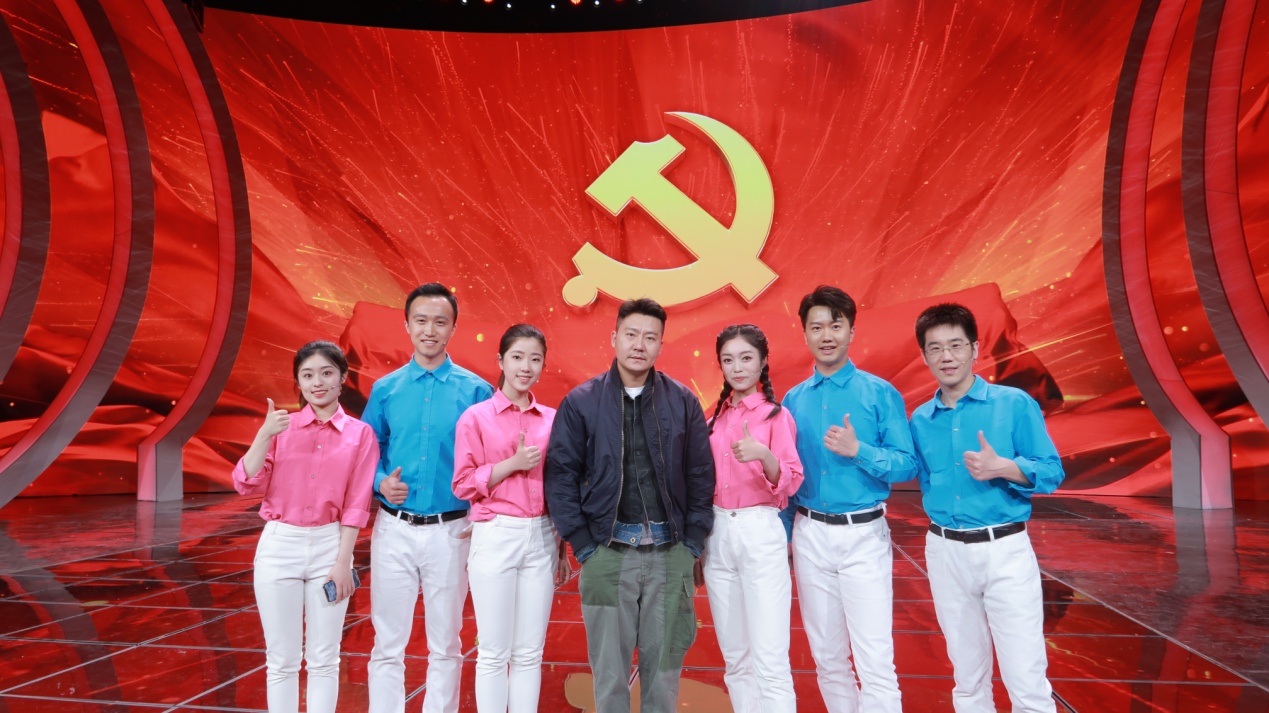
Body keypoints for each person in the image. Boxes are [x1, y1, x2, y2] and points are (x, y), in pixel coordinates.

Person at [543, 297, 715, 713]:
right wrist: (583, 544)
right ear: (614, 338)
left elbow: (700, 474)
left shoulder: (683, 401)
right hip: (606, 554)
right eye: (631, 334)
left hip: (669, 554)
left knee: (664, 677)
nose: (639, 344)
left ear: (661, 345)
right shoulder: (581, 401)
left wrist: (692, 543)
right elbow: (561, 474)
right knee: (609, 676)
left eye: (650, 337)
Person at [908, 303, 1064, 713]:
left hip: (1004, 550)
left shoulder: (1013, 404)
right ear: (924, 356)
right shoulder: (921, 419)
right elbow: (926, 480)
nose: (947, 356)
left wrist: (1005, 468)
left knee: (1026, 677)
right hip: (945, 552)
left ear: (974, 349)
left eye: (956, 345)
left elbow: (1052, 471)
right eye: (935, 348)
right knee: (967, 678)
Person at [781, 285, 917, 713]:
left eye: (836, 326)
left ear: (851, 332)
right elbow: (789, 476)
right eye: (816, 327)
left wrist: (860, 451)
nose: (827, 336)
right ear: (805, 333)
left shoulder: (880, 393)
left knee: (875, 658)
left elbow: (907, 464)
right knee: (827, 658)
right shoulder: (793, 400)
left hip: (862, 534)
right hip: (809, 533)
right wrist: (784, 537)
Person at [362, 283, 494, 713]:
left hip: (452, 531)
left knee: (446, 643)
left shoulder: (477, 392)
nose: (430, 330)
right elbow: (367, 451)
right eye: (421, 321)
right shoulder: (385, 389)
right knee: (387, 643)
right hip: (394, 529)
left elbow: (490, 461)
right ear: (407, 325)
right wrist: (380, 482)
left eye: (440, 322)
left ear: (453, 328)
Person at [233, 340, 378, 713]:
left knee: (325, 659)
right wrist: (264, 434)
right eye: (308, 375)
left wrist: (343, 562)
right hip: (280, 546)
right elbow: (245, 482)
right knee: (281, 659)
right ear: (297, 382)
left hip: (331, 546)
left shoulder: (361, 434)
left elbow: (357, 504)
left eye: (327, 373)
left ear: (342, 378)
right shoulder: (281, 428)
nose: (318, 383)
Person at [453, 324, 571, 713]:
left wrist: (560, 547)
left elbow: (560, 487)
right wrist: (511, 464)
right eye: (517, 357)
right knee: (493, 651)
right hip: (496, 534)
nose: (526, 367)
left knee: (530, 652)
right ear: (500, 360)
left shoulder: (552, 420)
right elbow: (463, 484)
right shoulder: (475, 418)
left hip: (542, 536)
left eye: (535, 359)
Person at [702, 324, 803, 713]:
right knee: (735, 659)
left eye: (746, 358)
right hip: (717, 532)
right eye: (728, 360)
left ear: (762, 362)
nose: (737, 367)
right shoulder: (714, 418)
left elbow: (792, 479)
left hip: (759, 528)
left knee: (770, 659)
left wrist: (764, 455)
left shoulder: (776, 415)